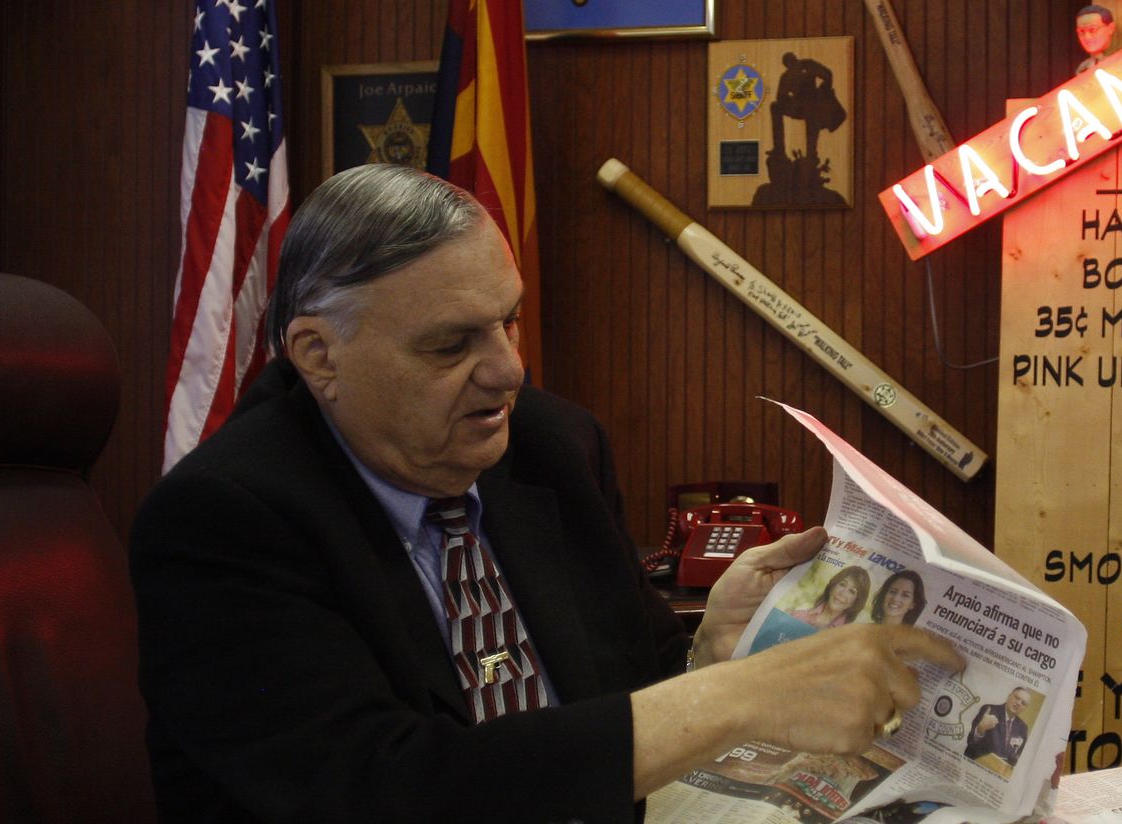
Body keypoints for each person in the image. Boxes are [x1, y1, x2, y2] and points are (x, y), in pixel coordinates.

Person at [129, 165, 963, 823]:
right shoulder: (223, 520)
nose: (508, 371)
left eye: (511, 321)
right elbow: (385, 790)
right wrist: (734, 699)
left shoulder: (549, 446)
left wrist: (711, 652)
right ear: (318, 355)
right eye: (452, 344)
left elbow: (620, 694)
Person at [963, 687, 1034, 767]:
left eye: (1023, 703)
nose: (1018, 703)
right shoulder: (989, 710)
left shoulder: (1023, 728)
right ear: (1009, 696)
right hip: (977, 766)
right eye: (1017, 698)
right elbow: (970, 743)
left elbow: (1017, 757)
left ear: (1025, 708)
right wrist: (980, 729)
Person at [791, 565, 871, 629]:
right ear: (832, 586)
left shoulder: (845, 638)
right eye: (842, 584)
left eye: (851, 591)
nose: (842, 593)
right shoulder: (798, 616)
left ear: (856, 602)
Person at [1073, 4, 1116, 74]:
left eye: (1092, 30)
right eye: (1081, 31)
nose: (1087, 37)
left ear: (1111, 28)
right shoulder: (1083, 68)